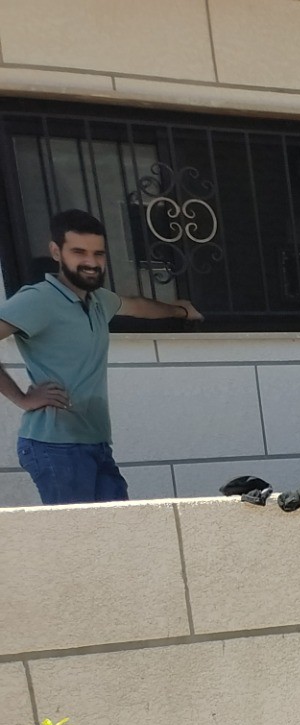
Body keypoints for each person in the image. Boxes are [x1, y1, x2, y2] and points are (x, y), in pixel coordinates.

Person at [0, 209, 202, 504]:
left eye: (99, 253)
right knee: (81, 544)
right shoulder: (39, 299)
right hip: (56, 446)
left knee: (114, 538)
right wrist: (23, 398)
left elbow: (137, 306)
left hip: (95, 443)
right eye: (79, 252)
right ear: (56, 252)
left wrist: (180, 310)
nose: (91, 262)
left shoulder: (98, 300)